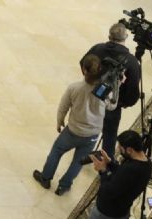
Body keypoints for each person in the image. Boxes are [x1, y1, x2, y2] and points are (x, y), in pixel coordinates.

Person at [32, 55, 104, 195]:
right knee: (78, 162)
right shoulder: (104, 92)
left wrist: (60, 121)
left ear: (83, 70)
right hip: (92, 135)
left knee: (56, 151)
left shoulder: (74, 88)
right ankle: (63, 186)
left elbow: (63, 107)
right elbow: (112, 106)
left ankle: (45, 178)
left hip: (72, 131)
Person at [80, 23, 141, 160]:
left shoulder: (97, 48)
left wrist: (90, 82)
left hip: (91, 96)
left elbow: (83, 63)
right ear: (126, 37)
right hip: (113, 105)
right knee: (109, 135)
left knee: (88, 126)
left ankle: (82, 154)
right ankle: (106, 167)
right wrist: (123, 102)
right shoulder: (132, 62)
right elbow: (133, 91)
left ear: (109, 36)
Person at [88, 130, 152, 219]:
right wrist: (109, 162)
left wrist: (103, 170)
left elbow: (107, 191)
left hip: (107, 213)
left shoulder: (130, 169)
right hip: (122, 210)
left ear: (129, 150)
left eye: (120, 148)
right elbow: (122, 174)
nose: (118, 149)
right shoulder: (147, 163)